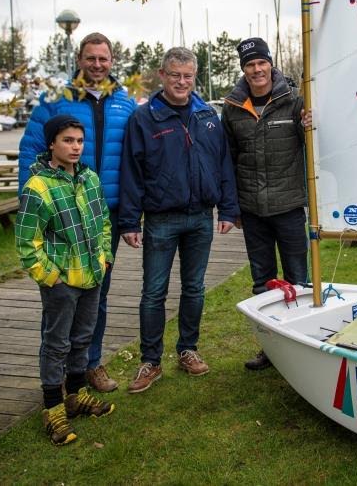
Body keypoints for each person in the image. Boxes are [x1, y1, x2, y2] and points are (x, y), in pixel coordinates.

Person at [19, 32, 136, 391]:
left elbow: (133, 160)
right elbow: (31, 150)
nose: (97, 65)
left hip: (105, 214)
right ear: (79, 59)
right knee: (60, 298)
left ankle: (89, 364)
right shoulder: (55, 100)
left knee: (95, 294)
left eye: (104, 59)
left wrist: (133, 211)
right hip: (62, 213)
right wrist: (34, 201)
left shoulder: (124, 103)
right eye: (91, 58)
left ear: (112, 61)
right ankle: (55, 376)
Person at [118, 47, 239, 393]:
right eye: (175, 75)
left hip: (201, 216)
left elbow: (223, 164)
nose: (182, 82)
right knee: (154, 291)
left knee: (194, 287)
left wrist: (228, 210)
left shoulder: (207, 116)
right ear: (162, 75)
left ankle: (188, 349)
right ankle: (150, 361)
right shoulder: (144, 119)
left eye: (188, 76)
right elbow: (131, 171)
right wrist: (129, 221)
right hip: (160, 219)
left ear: (194, 77)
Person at [16, 115, 115, 446]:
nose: (75, 147)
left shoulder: (89, 179)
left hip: (91, 275)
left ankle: (75, 396)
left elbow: (103, 221)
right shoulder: (38, 187)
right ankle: (52, 407)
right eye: (68, 141)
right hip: (61, 282)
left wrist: (104, 258)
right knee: (57, 343)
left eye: (79, 141)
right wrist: (51, 277)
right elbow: (27, 243)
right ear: (52, 144)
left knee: (83, 337)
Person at [222, 37, 311, 371]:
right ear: (243, 69)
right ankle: (271, 348)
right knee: (263, 282)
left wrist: (308, 128)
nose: (257, 69)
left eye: (262, 63)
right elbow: (227, 159)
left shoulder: (294, 101)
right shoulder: (232, 108)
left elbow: (312, 146)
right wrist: (232, 207)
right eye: (250, 64)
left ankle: (302, 344)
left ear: (270, 64)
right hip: (252, 211)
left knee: (298, 279)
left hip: (288, 206)